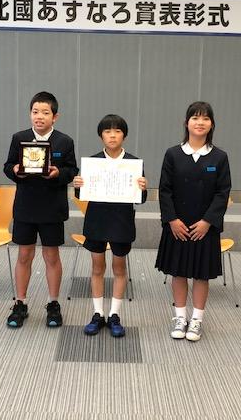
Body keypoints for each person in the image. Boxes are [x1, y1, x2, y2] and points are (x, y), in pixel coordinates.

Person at [155, 101, 231, 342]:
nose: (200, 122)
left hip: (204, 227)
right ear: (186, 123)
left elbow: (223, 192)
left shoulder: (219, 157)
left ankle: (197, 319)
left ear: (212, 124)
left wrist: (208, 221)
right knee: (178, 272)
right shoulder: (173, 154)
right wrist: (172, 220)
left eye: (205, 118)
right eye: (195, 118)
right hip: (177, 225)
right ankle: (180, 317)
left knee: (201, 275)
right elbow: (164, 190)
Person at [4, 91, 78, 328]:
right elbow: (7, 166)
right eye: (35, 112)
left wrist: (58, 174)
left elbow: (72, 171)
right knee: (24, 255)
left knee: (51, 256)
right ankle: (20, 303)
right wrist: (15, 170)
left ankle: (53, 303)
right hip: (25, 207)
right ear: (30, 114)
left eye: (45, 112)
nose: (39, 116)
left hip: (52, 208)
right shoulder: (19, 138)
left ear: (55, 117)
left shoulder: (65, 141)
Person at [73, 114, 147, 337]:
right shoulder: (92, 162)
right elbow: (82, 195)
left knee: (119, 268)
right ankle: (98, 313)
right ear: (101, 136)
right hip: (97, 221)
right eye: (107, 131)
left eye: (117, 131)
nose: (112, 135)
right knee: (97, 268)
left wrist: (143, 188)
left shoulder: (134, 163)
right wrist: (78, 185)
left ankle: (114, 314)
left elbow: (140, 200)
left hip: (121, 223)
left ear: (124, 135)